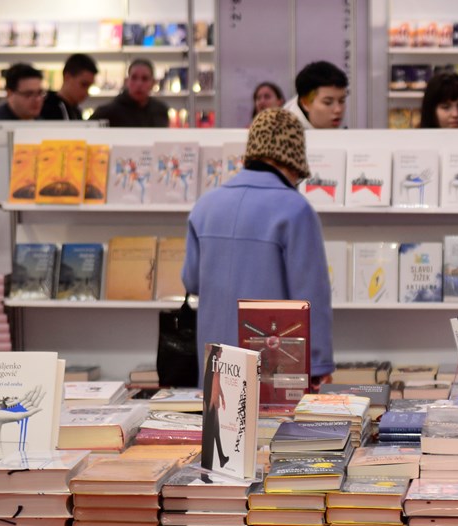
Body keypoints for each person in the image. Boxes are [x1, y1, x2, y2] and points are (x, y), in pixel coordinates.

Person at [182, 108, 334, 388]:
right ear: (294, 159)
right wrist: (317, 365)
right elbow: (311, 295)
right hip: (274, 367)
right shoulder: (296, 210)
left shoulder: (205, 205)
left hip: (216, 363)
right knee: (271, 418)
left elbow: (191, 281)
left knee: (220, 414)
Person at [90, 59, 169, 127]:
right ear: (127, 81)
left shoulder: (160, 111)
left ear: (153, 82)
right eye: (134, 78)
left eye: (145, 79)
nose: (139, 84)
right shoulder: (107, 112)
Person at [283, 60, 347, 129]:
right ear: (305, 103)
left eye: (342, 101)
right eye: (328, 103)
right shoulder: (283, 132)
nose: (338, 110)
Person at [40, 53, 97, 121]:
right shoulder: (48, 108)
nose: (86, 92)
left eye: (89, 86)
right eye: (84, 84)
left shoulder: (76, 111)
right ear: (67, 77)